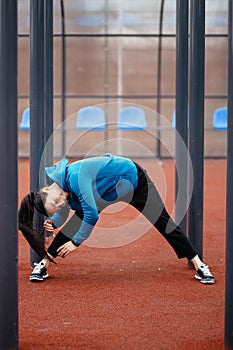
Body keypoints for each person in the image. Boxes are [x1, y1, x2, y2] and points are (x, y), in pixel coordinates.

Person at [18, 154, 215, 284]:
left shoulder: (76, 177)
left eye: (57, 200)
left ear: (46, 189)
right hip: (104, 193)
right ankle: (43, 264)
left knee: (163, 222)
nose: (61, 202)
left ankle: (199, 265)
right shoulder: (62, 192)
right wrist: (55, 222)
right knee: (73, 224)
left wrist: (76, 243)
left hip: (134, 182)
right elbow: (63, 211)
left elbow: (91, 215)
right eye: (57, 205)